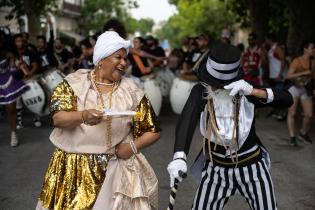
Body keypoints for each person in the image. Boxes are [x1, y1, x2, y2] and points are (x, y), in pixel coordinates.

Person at [36, 31, 160, 210]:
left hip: (115, 171)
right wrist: (83, 115)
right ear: (101, 59)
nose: (124, 63)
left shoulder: (131, 90)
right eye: (118, 57)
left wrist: (131, 148)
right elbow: (57, 118)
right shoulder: (74, 83)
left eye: (126, 59)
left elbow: (153, 129)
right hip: (73, 169)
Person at [167, 42, 293, 210]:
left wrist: (254, 91)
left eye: (220, 84)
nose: (215, 87)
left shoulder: (245, 90)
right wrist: (179, 156)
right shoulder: (201, 91)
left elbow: (287, 99)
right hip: (215, 170)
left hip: (253, 167)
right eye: (212, 81)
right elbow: (187, 120)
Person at [0, 30, 29, 146]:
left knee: (11, 109)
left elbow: (17, 71)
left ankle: (13, 133)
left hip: (7, 82)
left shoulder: (9, 54)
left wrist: (15, 64)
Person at [286, 41, 315, 145]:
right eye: (312, 48)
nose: (314, 50)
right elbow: (288, 76)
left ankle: (303, 133)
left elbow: (312, 77)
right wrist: (303, 72)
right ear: (305, 49)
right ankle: (292, 137)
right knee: (292, 113)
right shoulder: (297, 61)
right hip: (294, 88)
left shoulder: (313, 61)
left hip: (305, 89)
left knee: (309, 114)